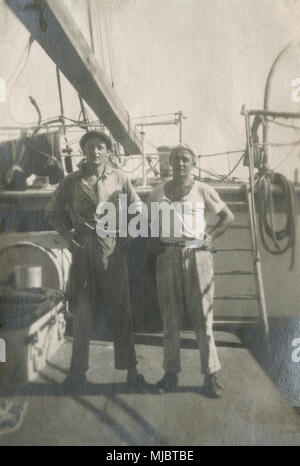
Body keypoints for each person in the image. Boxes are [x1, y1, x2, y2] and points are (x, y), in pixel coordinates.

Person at [45, 130, 146, 389]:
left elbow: (139, 208)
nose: (96, 151)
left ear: (108, 151)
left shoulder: (120, 178)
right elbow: (52, 213)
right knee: (82, 313)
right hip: (82, 250)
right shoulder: (71, 181)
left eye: (101, 146)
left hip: (111, 250)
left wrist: (130, 233)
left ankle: (132, 373)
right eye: (91, 146)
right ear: (84, 150)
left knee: (121, 310)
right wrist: (69, 237)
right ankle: (77, 374)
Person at [147, 143, 234, 397]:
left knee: (203, 319)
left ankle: (211, 378)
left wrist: (211, 237)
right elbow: (148, 222)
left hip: (198, 255)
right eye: (176, 160)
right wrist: (154, 242)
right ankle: (170, 375)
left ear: (193, 163)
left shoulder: (203, 190)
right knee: (170, 319)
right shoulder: (156, 193)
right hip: (167, 256)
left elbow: (228, 217)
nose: (181, 164)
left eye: (185, 159)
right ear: (170, 163)